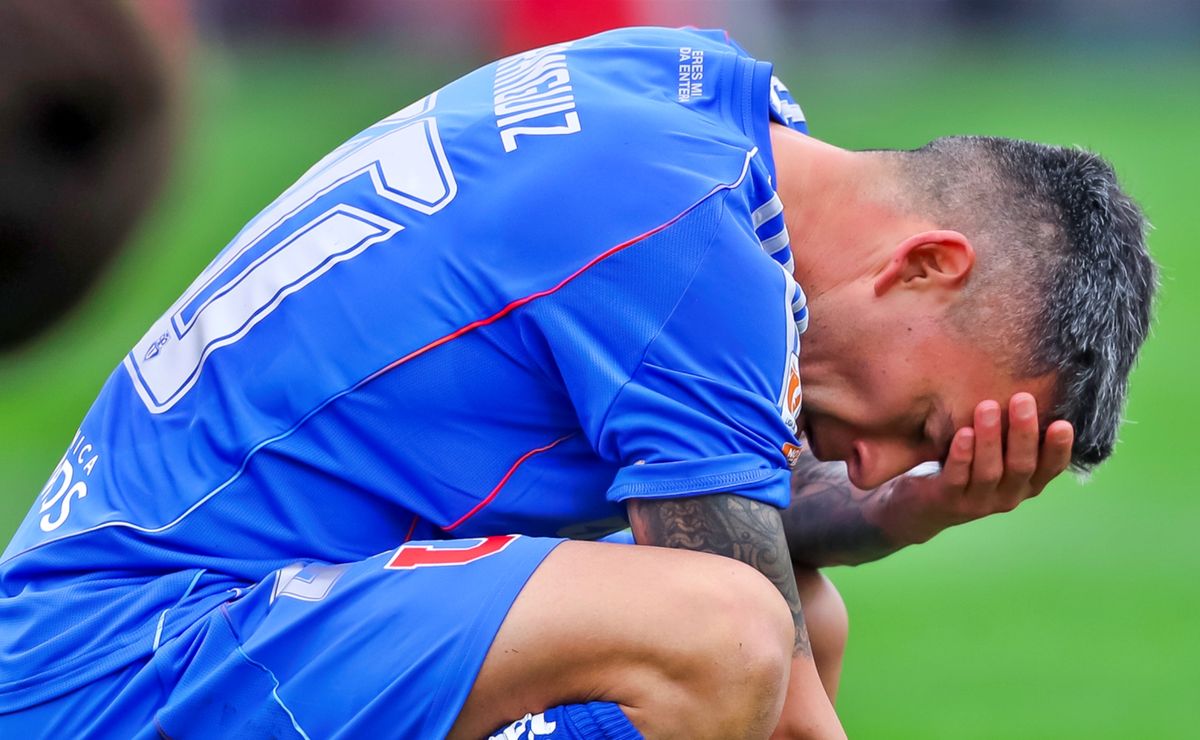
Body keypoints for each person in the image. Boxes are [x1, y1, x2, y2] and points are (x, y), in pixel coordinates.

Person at [0, 26, 1154, 739]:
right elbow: (745, 638)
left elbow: (734, 532)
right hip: (127, 660)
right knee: (729, 634)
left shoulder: (697, 107)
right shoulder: (692, 243)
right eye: (921, 422)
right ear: (926, 265)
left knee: (790, 609)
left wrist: (890, 513)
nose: (875, 457)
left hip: (172, 620)